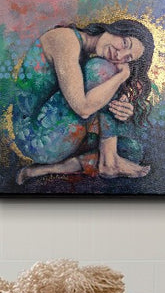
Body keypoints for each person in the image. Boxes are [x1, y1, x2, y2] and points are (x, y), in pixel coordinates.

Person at [10, 17, 155, 184]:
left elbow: (92, 105)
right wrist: (122, 75)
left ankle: (44, 170)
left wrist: (121, 108)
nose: (119, 55)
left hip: (61, 133)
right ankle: (108, 162)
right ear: (115, 29)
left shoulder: (86, 52)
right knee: (102, 69)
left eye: (127, 59)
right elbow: (83, 108)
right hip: (35, 138)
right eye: (124, 43)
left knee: (131, 151)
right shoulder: (65, 39)